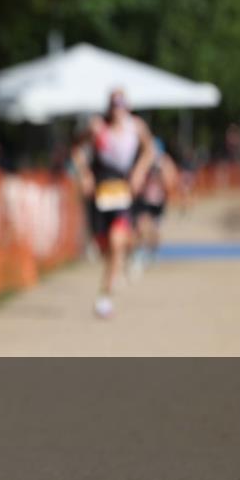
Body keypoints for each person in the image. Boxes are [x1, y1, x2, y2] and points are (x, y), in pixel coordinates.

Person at [70, 89, 155, 318]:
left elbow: (150, 150)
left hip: (122, 191)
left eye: (122, 103)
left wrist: (139, 171)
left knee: (117, 242)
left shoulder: (136, 126)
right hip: (99, 192)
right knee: (103, 247)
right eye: (114, 103)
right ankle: (124, 259)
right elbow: (76, 148)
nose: (118, 108)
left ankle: (105, 296)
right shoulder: (97, 126)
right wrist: (84, 173)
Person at [129, 137, 179, 276]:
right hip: (144, 201)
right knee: (141, 226)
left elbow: (171, 181)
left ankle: (151, 251)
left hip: (158, 202)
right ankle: (139, 253)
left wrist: (162, 176)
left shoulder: (164, 162)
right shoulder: (141, 161)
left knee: (154, 232)